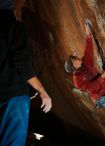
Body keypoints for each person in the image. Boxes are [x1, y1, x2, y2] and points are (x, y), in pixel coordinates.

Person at [0, 1, 52, 146]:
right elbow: (22, 63)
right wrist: (42, 90)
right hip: (14, 98)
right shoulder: (14, 26)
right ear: (13, 10)